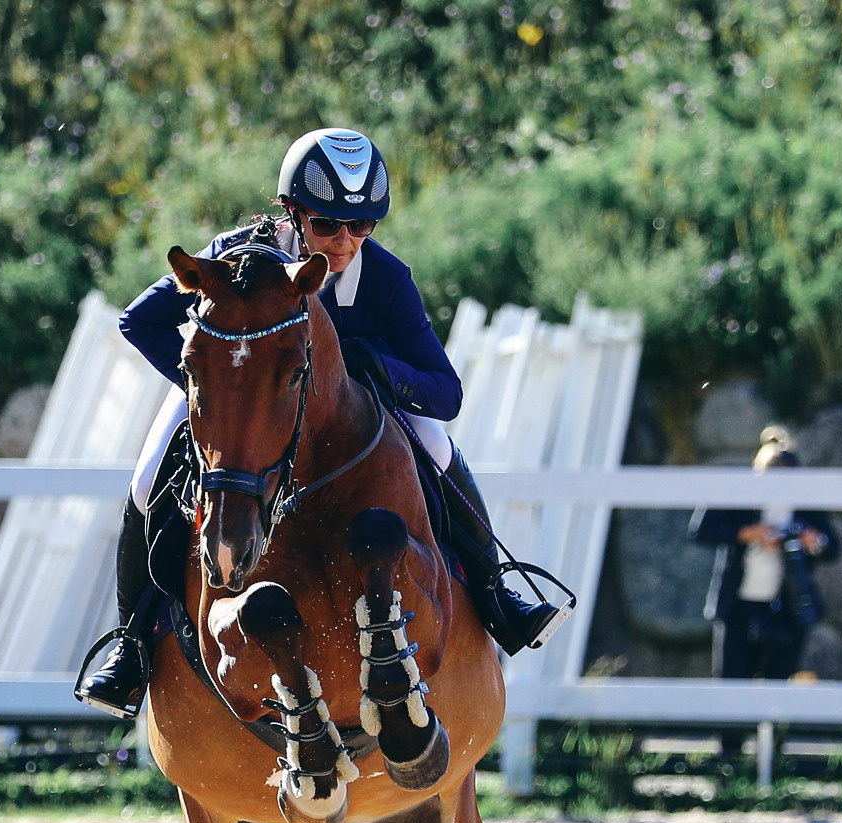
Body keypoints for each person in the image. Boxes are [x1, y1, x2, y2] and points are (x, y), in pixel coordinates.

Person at [74, 127, 564, 717]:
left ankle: (497, 589)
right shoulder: (235, 256)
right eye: (329, 225)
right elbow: (139, 322)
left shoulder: (384, 279)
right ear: (293, 212)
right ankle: (130, 644)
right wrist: (225, 396)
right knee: (149, 471)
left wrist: (372, 365)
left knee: (435, 442)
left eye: (362, 227)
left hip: (350, 416)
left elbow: (446, 391)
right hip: (236, 392)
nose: (345, 242)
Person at [691, 426, 841, 680]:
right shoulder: (741, 497)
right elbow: (701, 530)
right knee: (732, 683)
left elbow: (833, 548)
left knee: (778, 684)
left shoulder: (803, 505)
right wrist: (748, 534)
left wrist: (810, 541)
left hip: (787, 606)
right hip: (738, 604)